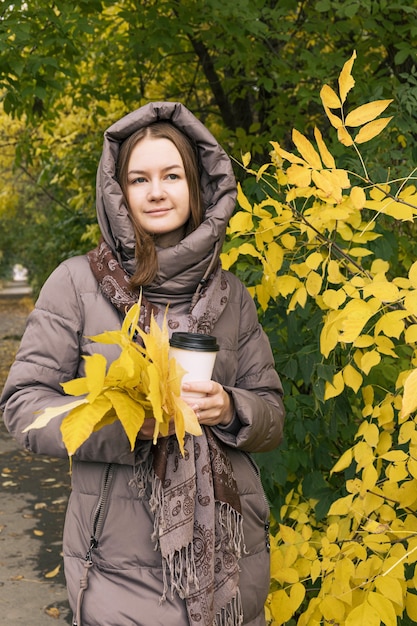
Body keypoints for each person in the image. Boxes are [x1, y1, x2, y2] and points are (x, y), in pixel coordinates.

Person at [0, 102, 285, 626]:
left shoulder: (231, 295)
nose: (156, 191)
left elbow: (271, 412)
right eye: (139, 179)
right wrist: (124, 424)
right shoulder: (76, 285)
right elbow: (23, 406)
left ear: (196, 186)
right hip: (116, 564)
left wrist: (230, 408)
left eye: (171, 175)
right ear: (119, 192)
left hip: (232, 563)